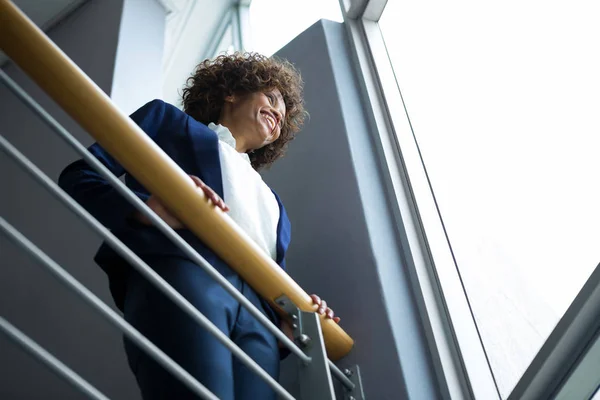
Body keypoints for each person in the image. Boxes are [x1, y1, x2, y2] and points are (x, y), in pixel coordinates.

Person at [58, 52, 340, 400]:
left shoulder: (275, 206)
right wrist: (146, 209)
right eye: (272, 98)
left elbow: (273, 280)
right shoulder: (167, 121)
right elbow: (80, 176)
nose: (279, 115)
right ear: (232, 92)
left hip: (260, 325)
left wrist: (293, 317)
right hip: (186, 275)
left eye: (283, 116)